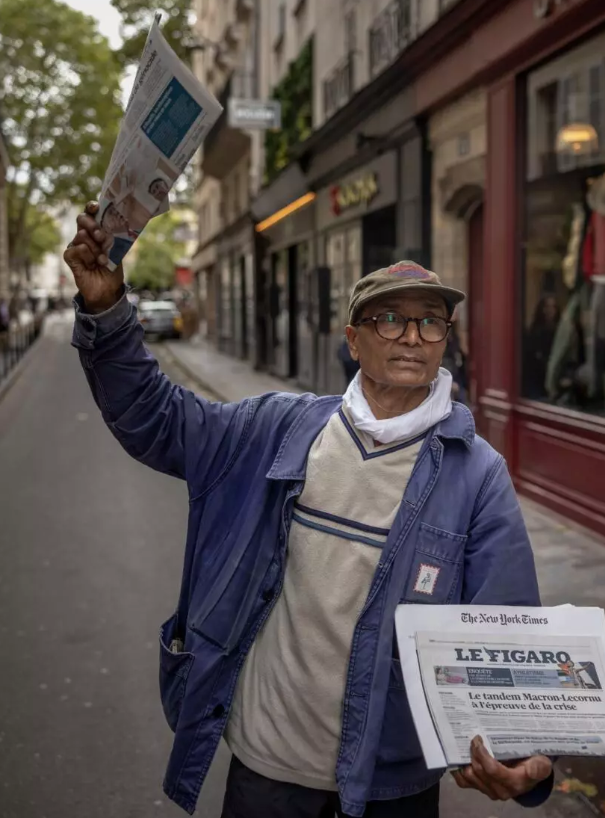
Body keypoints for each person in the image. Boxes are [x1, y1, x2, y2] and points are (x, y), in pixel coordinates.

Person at [64, 202, 554, 818]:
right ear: (353, 339)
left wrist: (525, 757)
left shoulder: (478, 473)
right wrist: (108, 312)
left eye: (430, 323)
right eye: (389, 319)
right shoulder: (275, 429)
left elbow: (508, 625)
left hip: (391, 783)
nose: (410, 336)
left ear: (445, 342)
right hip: (268, 766)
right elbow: (156, 419)